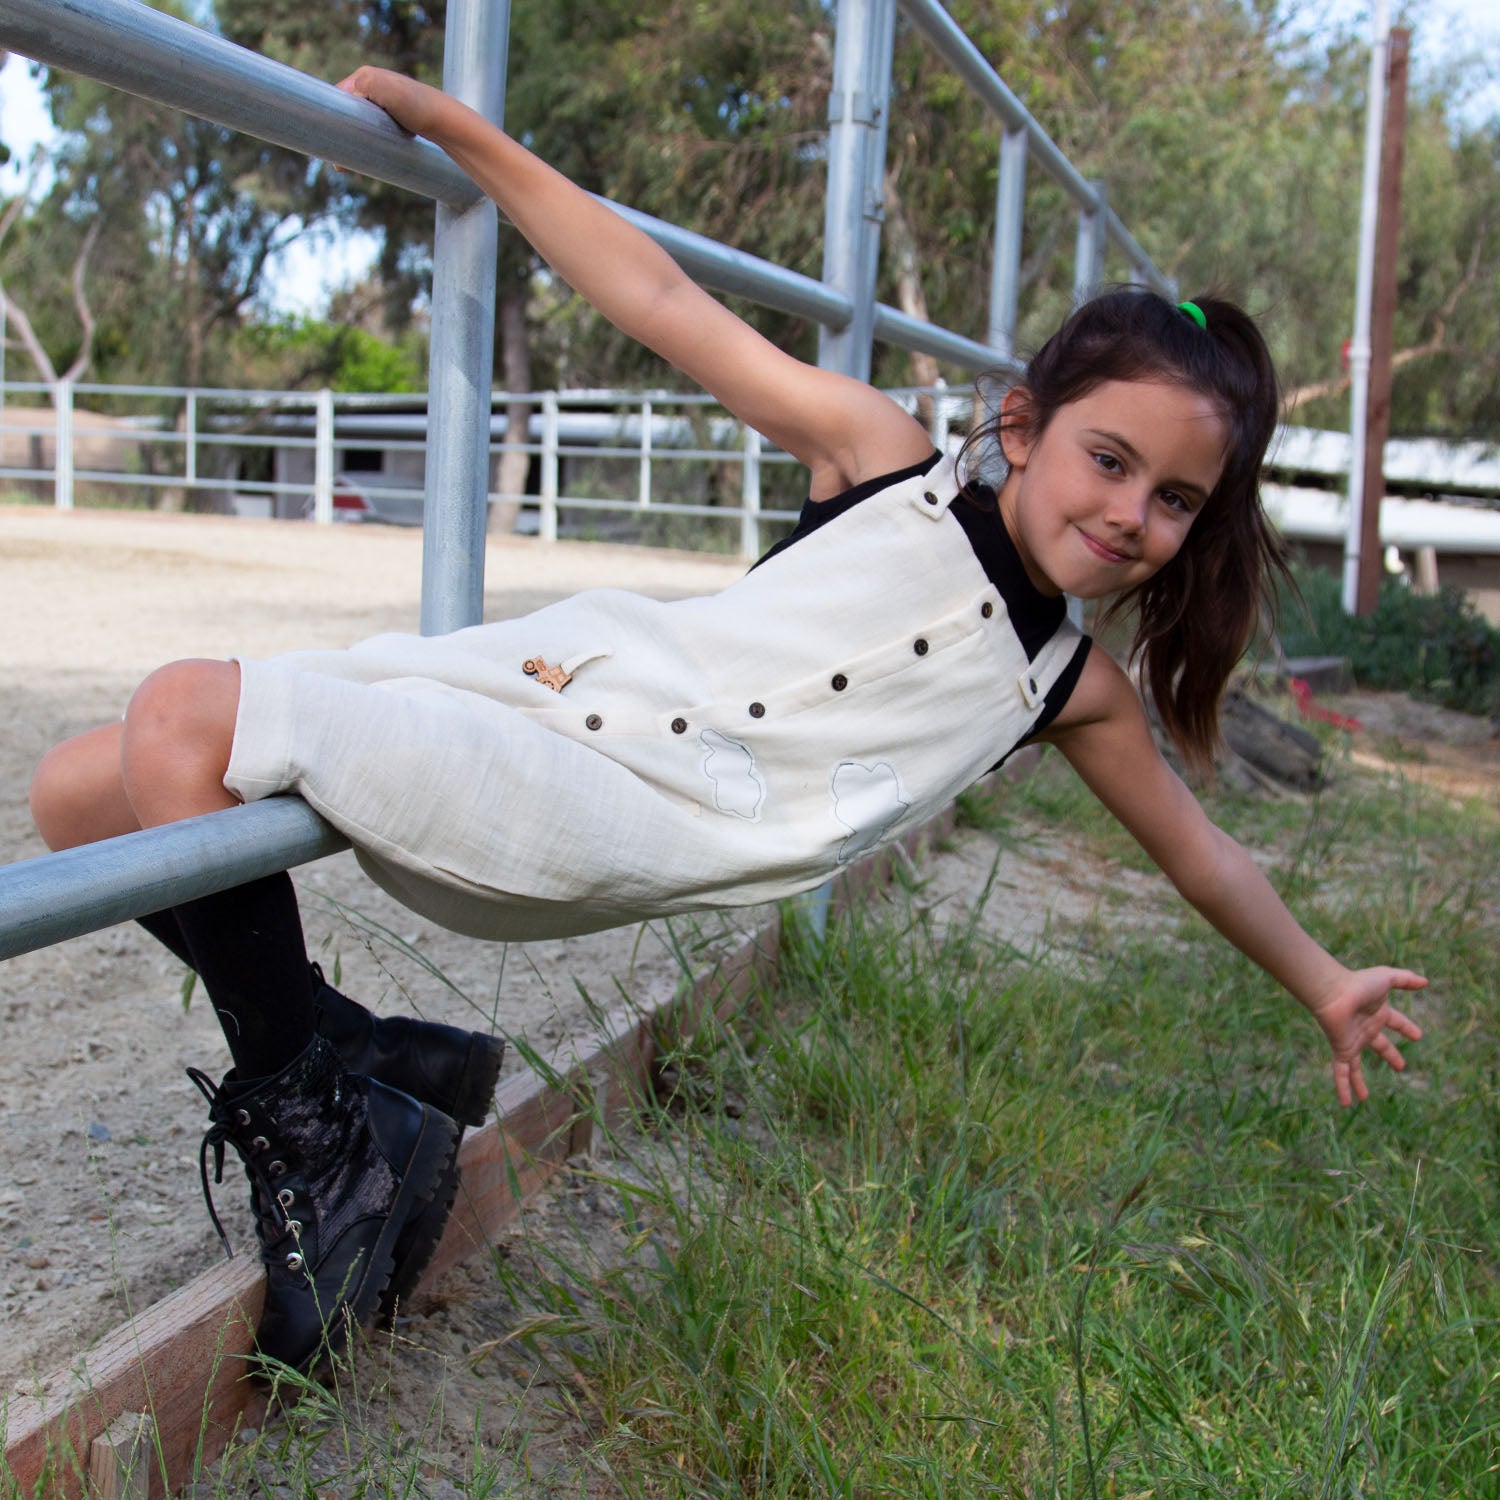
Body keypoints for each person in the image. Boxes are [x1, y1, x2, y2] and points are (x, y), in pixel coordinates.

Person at [26, 67, 1426, 1371]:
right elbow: (658, 297)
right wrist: (463, 135)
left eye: (1173, 500)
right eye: (1108, 460)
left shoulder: (1063, 683)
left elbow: (1201, 855)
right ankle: (354, 1057)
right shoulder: (885, 461)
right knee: (83, 801)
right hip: (556, 681)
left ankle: (329, 1156)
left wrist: (1323, 983)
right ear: (1021, 424)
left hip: (603, 804)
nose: (1128, 514)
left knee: (182, 714)